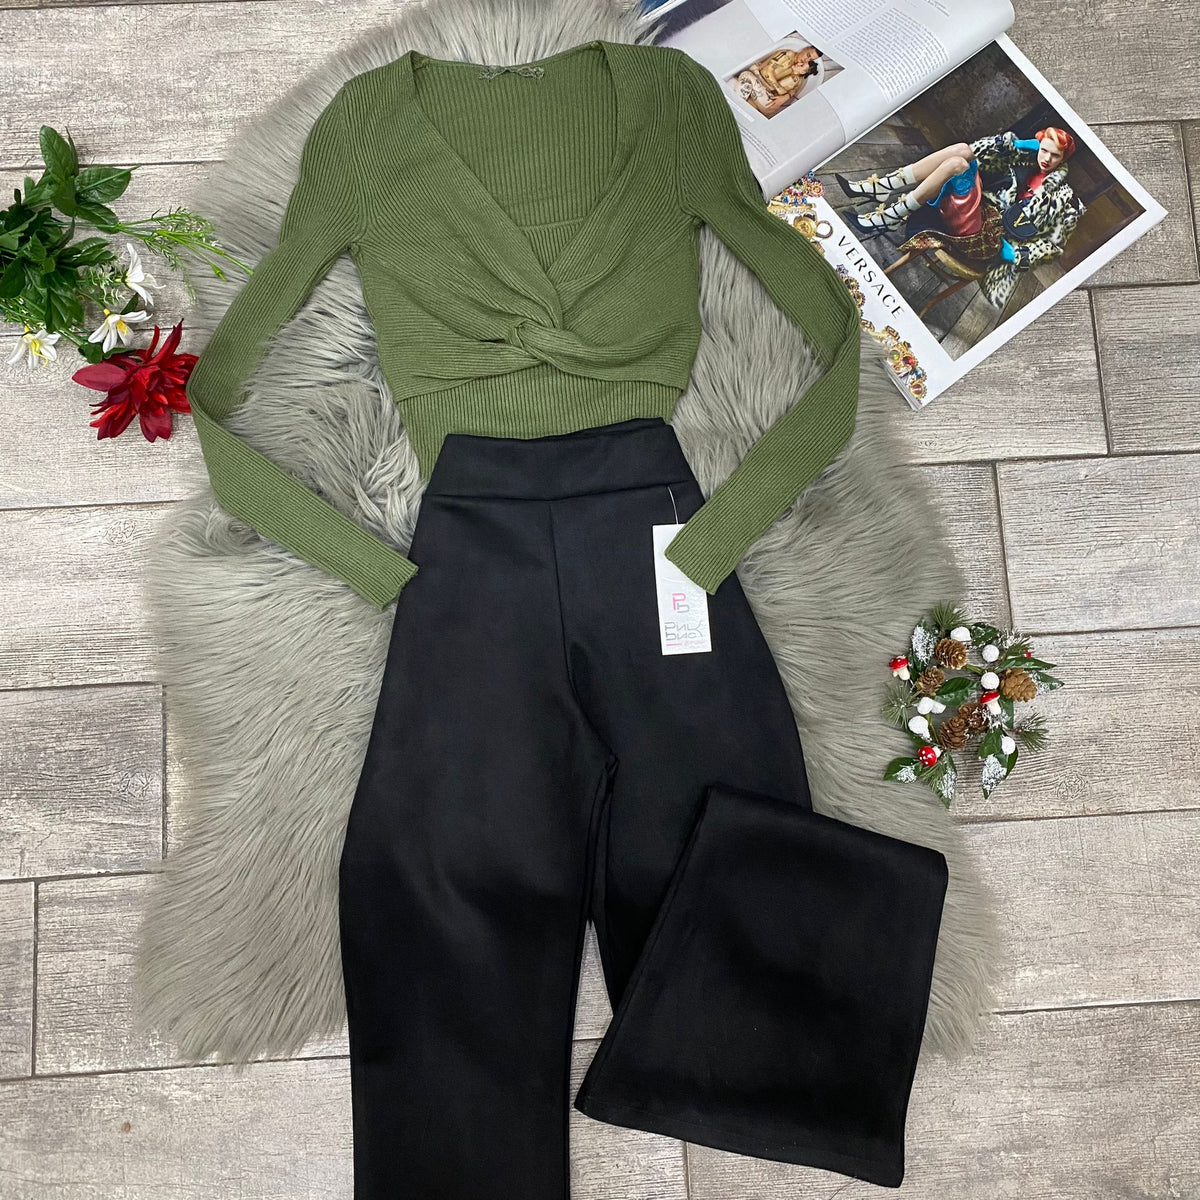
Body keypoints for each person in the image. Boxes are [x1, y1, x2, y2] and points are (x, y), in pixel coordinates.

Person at [835, 126, 1085, 308]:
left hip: (988, 242)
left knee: (957, 165)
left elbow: (1051, 247)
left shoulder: (1063, 199)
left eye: (1055, 156)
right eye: (1044, 150)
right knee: (962, 152)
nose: (1046, 159)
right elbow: (979, 150)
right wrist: (1021, 145)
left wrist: (1012, 253)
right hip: (976, 213)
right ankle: (887, 198)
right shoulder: (1023, 162)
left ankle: (889, 205)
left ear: (1064, 159)